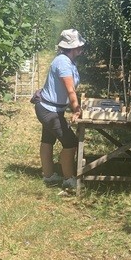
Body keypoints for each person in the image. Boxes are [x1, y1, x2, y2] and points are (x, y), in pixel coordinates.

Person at [35, 29, 85, 190]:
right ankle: (69, 179)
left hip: (50, 108)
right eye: (78, 46)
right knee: (70, 142)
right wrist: (76, 109)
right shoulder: (63, 62)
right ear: (71, 48)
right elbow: (70, 90)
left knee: (48, 140)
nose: (81, 48)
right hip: (49, 110)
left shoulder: (66, 60)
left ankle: (49, 175)